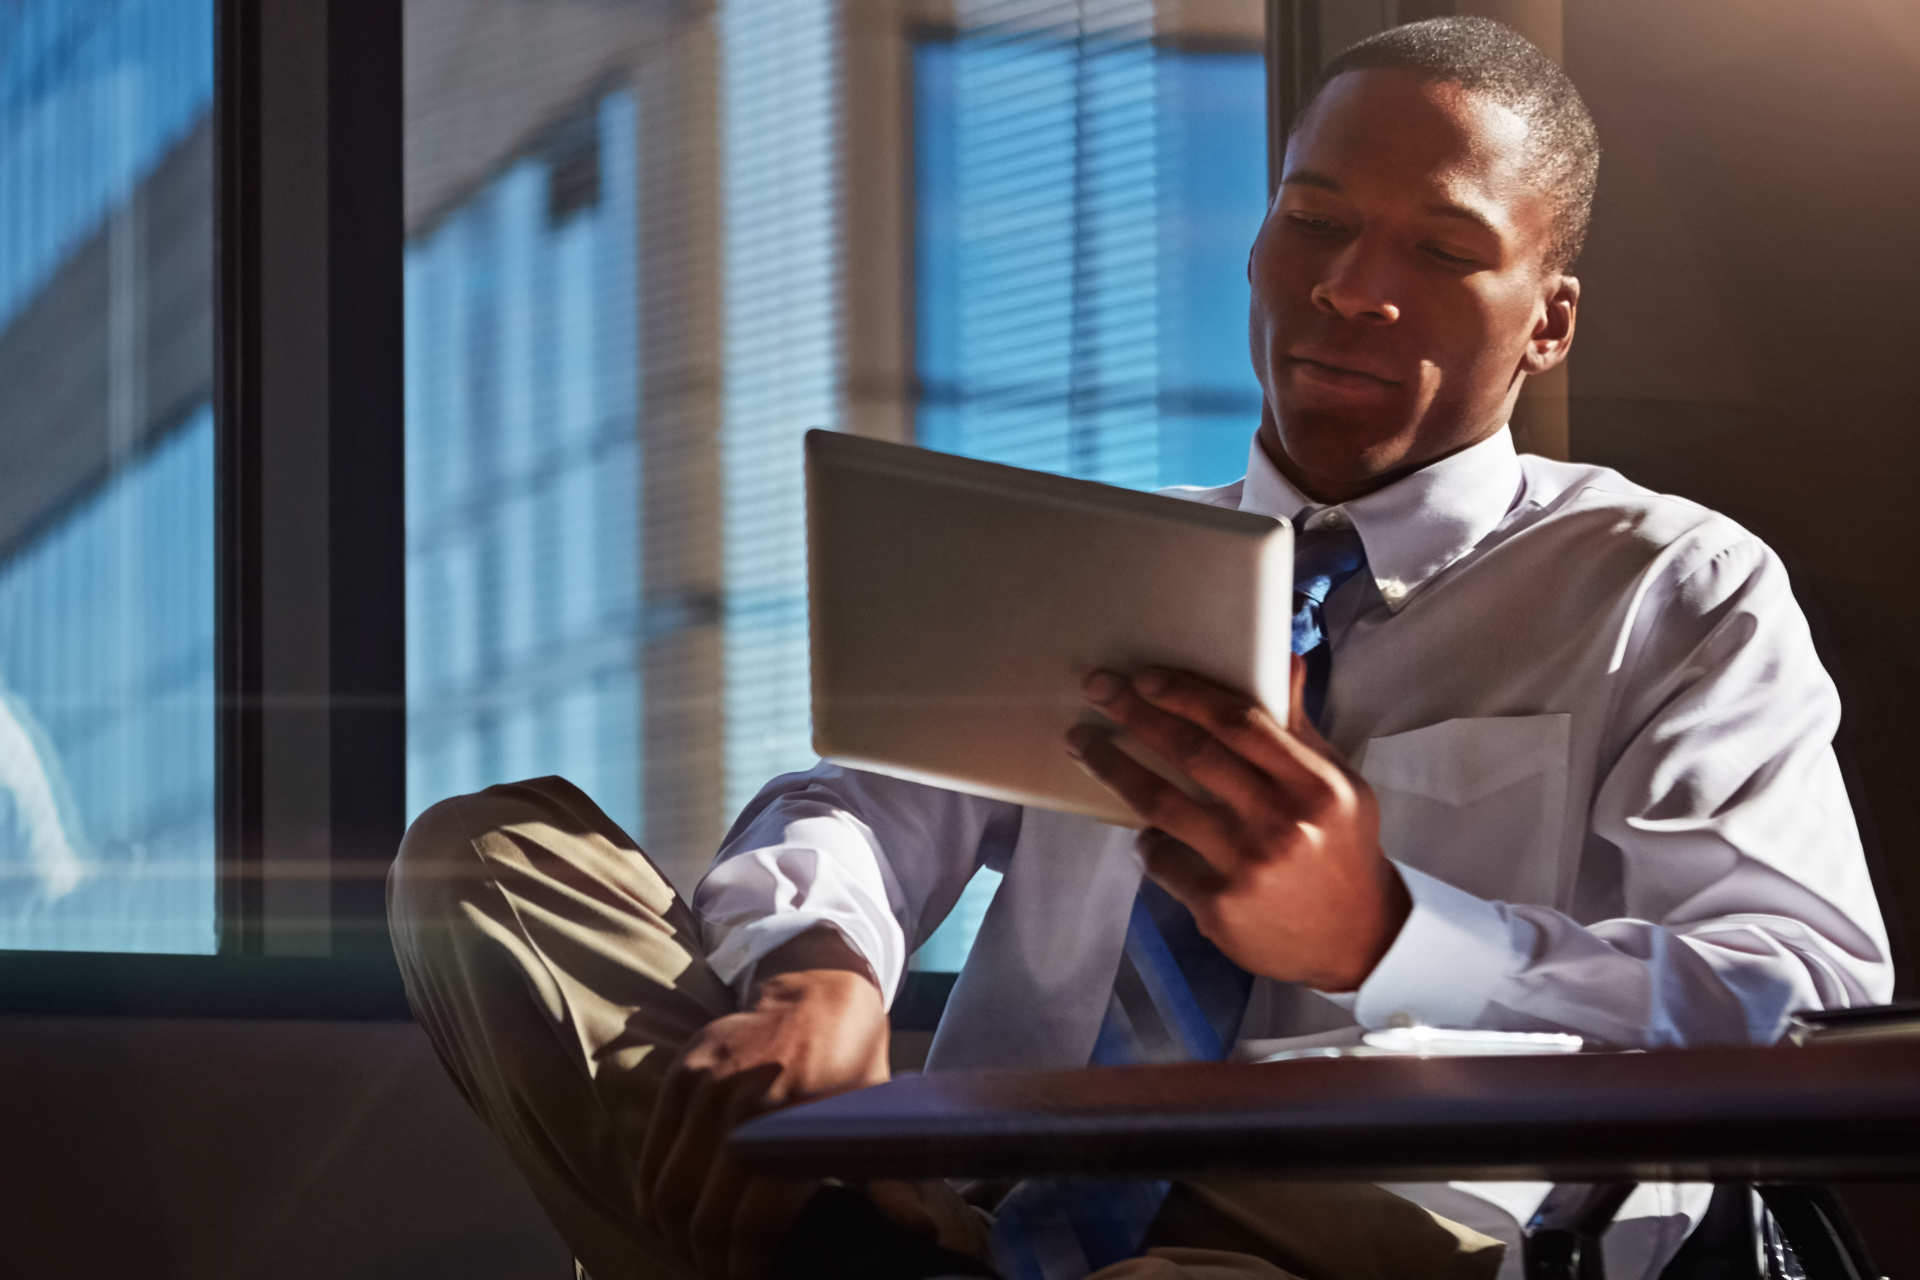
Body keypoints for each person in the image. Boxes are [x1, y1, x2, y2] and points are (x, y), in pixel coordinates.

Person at [386, 17, 1891, 1280]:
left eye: (1439, 249)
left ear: (1548, 324)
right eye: (1312, 220)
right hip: (986, 1184)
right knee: (487, 863)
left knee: (1311, 1164)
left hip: (1373, 1213)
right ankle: (865, 1232)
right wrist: (818, 967)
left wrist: (1388, 935)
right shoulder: (1095, 554)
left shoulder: (1670, 586)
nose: (1349, 287)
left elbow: (1801, 1006)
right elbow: (854, 802)